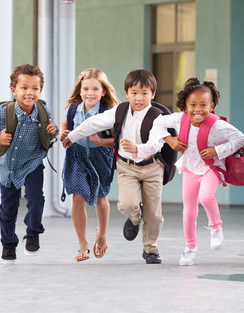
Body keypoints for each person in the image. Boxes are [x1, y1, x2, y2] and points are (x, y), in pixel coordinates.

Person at [133, 77, 244, 266]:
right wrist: (170, 140)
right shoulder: (179, 119)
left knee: (206, 197)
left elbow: (240, 139)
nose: (198, 109)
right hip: (190, 169)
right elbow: (158, 123)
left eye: (204, 104)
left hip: (211, 167)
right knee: (188, 213)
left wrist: (216, 151)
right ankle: (190, 249)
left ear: (212, 105)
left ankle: (216, 227)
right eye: (192, 104)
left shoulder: (217, 125)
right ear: (184, 105)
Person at [62, 69, 168, 264]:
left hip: (152, 166)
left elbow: (158, 143)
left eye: (145, 93)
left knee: (154, 215)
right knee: (127, 204)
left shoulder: (158, 116)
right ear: (126, 93)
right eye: (134, 93)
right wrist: (71, 136)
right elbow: (92, 123)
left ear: (153, 94)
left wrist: (138, 148)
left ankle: (150, 249)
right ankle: (134, 219)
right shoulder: (119, 111)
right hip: (127, 166)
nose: (139, 98)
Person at [0, 64, 58, 263]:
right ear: (13, 90)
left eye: (35, 88)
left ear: (40, 89)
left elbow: (53, 131)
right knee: (9, 208)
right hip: (7, 166)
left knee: (36, 199)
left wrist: (54, 130)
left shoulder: (43, 110)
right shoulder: (3, 112)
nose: (29, 92)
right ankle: (8, 245)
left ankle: (33, 232)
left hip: (32, 162)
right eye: (24, 88)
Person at [59, 69, 118, 262]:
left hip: (100, 156)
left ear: (103, 91)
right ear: (80, 89)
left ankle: (102, 233)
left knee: (101, 199)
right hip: (76, 156)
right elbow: (64, 123)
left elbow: (119, 140)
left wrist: (101, 142)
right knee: (78, 197)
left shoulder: (109, 112)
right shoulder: (74, 107)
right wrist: (62, 132)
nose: (89, 93)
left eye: (95, 89)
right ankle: (83, 244)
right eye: (86, 88)